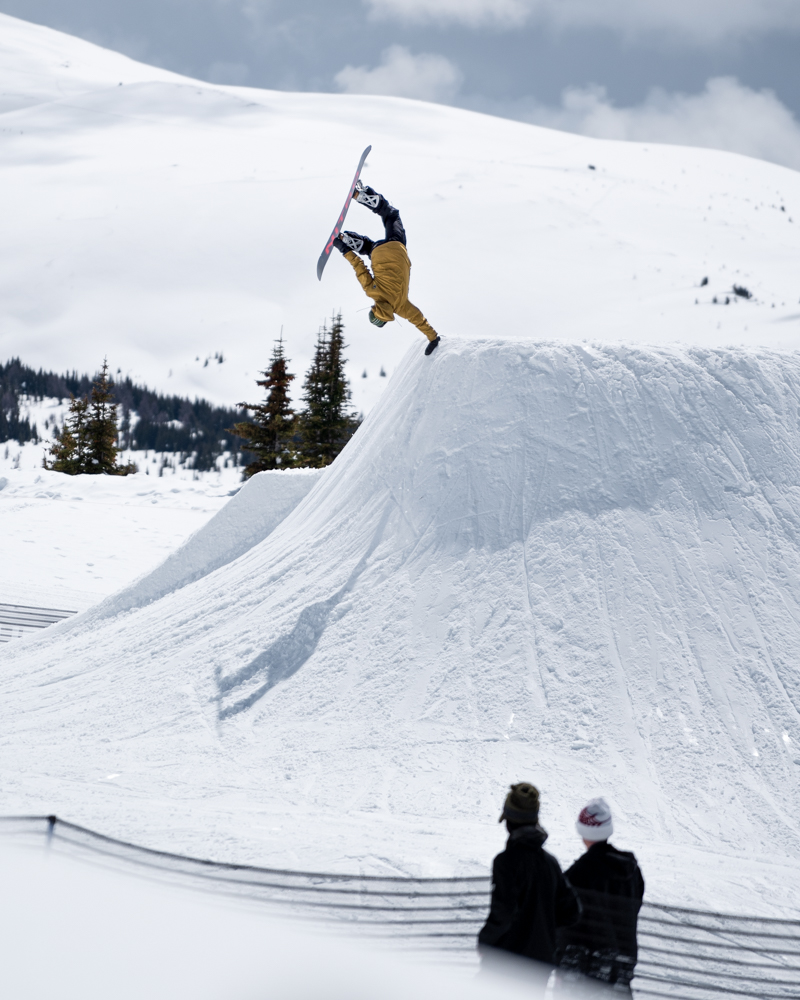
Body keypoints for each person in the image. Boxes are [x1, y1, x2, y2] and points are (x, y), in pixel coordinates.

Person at [478, 783, 580, 970]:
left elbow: (503, 913)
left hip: (506, 963)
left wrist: (485, 941)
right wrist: (542, 928)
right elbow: (571, 911)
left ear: (508, 821)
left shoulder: (506, 862)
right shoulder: (550, 863)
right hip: (541, 965)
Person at [333, 181, 441, 356]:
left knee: (391, 216)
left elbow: (419, 320)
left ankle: (361, 197)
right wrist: (343, 249)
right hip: (377, 253)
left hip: (397, 249)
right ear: (375, 310)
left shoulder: (402, 307)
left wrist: (433, 338)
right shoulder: (372, 292)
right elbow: (359, 267)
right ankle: (346, 239)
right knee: (371, 245)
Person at [557, 798, 645, 991]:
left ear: (583, 832)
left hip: (584, 974)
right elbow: (634, 907)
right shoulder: (632, 871)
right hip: (621, 964)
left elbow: (564, 922)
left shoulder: (577, 875)